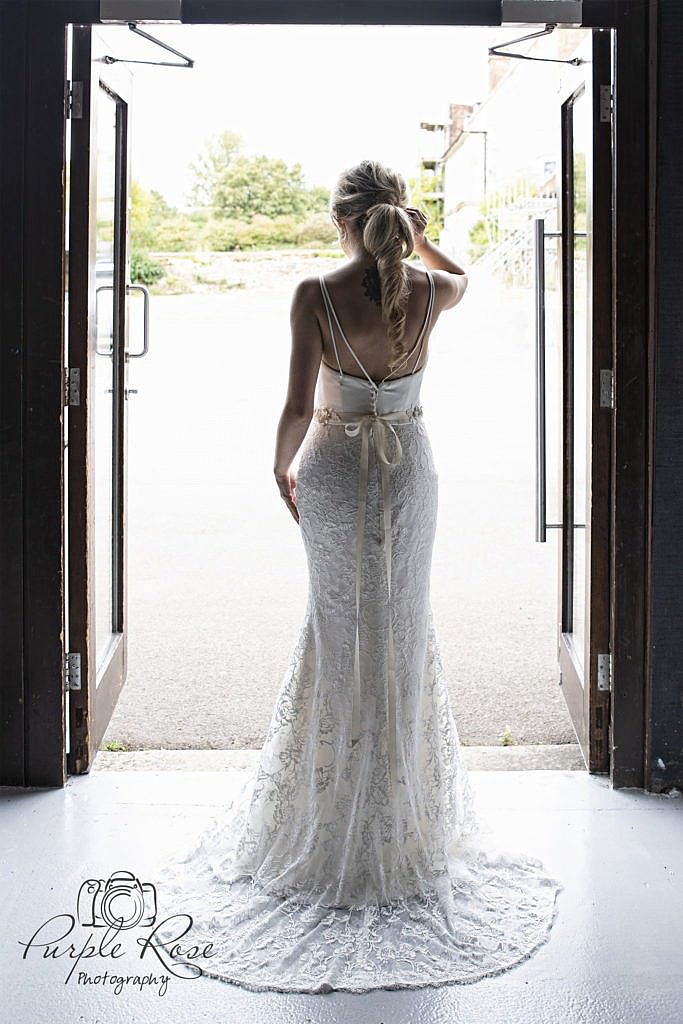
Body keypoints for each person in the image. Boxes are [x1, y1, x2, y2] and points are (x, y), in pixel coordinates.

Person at [161, 160, 562, 994]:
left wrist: (280, 470)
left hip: (337, 474)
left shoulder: (314, 291)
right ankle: (402, 823)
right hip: (410, 465)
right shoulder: (426, 287)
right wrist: (420, 241)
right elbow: (466, 277)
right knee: (402, 632)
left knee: (337, 630)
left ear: (339, 220)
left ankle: (330, 809)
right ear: (399, 220)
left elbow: (298, 408)